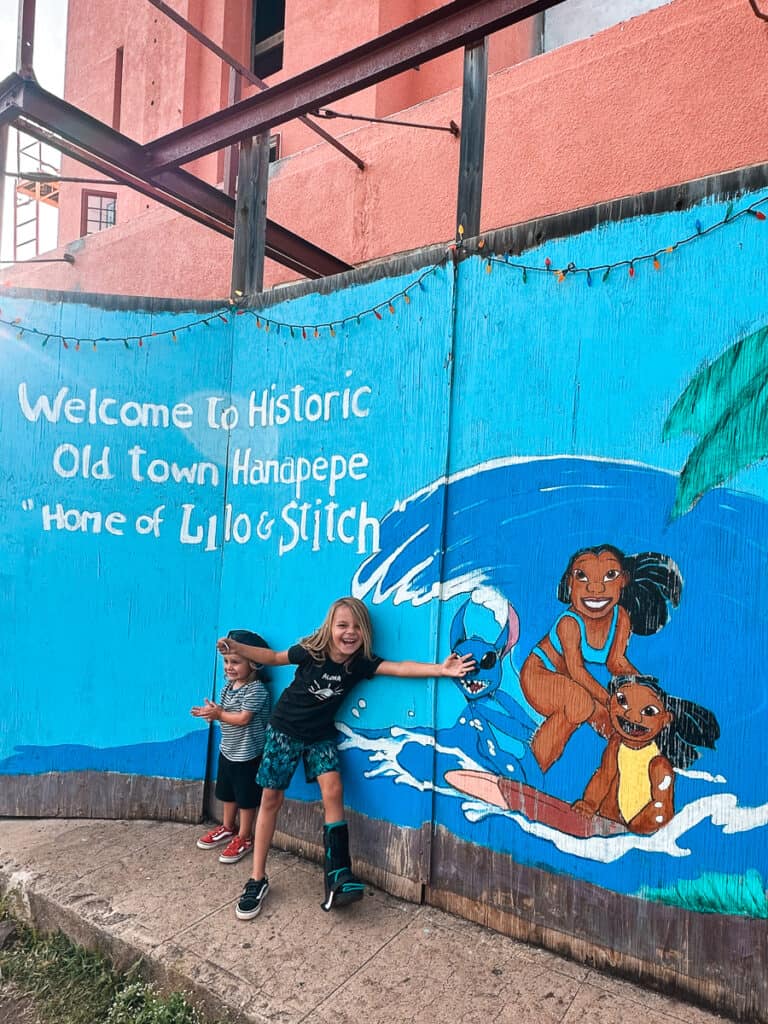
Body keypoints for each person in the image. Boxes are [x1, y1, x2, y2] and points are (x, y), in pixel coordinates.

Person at [216, 596, 475, 920]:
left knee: (334, 789)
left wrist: (441, 669)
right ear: (330, 628)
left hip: (320, 735)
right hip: (284, 730)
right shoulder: (312, 652)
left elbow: (398, 668)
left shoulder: (360, 663)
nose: (349, 632)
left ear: (364, 631)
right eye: (342, 625)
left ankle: (338, 874)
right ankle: (257, 879)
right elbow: (272, 656)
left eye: (356, 626)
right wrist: (237, 648)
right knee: (271, 800)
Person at [520, 544, 682, 773]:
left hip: (574, 686)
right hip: (539, 676)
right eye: (582, 577)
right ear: (570, 583)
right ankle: (531, 768)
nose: (595, 588)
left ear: (623, 580)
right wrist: (611, 700)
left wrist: (646, 693)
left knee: (618, 727)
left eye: (609, 575)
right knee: (580, 704)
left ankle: (618, 793)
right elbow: (576, 671)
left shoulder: (621, 618)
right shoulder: (570, 623)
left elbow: (616, 663)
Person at [572, 674, 719, 833]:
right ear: (610, 701)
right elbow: (604, 776)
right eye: (622, 701)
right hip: (609, 822)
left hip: (636, 831)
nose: (632, 716)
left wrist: (634, 829)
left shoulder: (659, 764)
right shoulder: (616, 744)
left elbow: (662, 809)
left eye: (649, 711)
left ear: (666, 719)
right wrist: (589, 804)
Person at [191, 629, 271, 864]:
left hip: (248, 755)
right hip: (228, 750)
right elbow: (225, 714)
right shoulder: (229, 687)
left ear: (255, 664)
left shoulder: (256, 690)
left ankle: (245, 836)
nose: (229, 667)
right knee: (227, 792)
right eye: (226, 661)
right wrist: (212, 714)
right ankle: (227, 826)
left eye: (235, 662)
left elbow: (243, 718)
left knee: (246, 798)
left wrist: (219, 714)